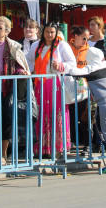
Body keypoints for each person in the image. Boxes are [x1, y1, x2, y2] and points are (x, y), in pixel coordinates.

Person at [59, 47, 106, 174]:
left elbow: (74, 71)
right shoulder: (105, 65)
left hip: (104, 104)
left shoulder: (90, 68)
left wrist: (63, 67)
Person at [26, 22, 76, 158]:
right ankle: (42, 148)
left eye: (52, 32)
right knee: (40, 115)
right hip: (39, 85)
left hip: (56, 86)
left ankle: (58, 148)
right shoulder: (36, 46)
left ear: (56, 33)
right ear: (43, 32)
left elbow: (72, 63)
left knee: (57, 115)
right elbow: (29, 61)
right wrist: (29, 72)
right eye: (47, 32)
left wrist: (61, 65)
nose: (49, 35)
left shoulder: (62, 45)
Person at [0, 16, 30, 164]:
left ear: (7, 31)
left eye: (0, 28)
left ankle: (3, 154)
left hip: (6, 88)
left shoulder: (13, 46)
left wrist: (20, 72)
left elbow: (18, 65)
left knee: (6, 123)